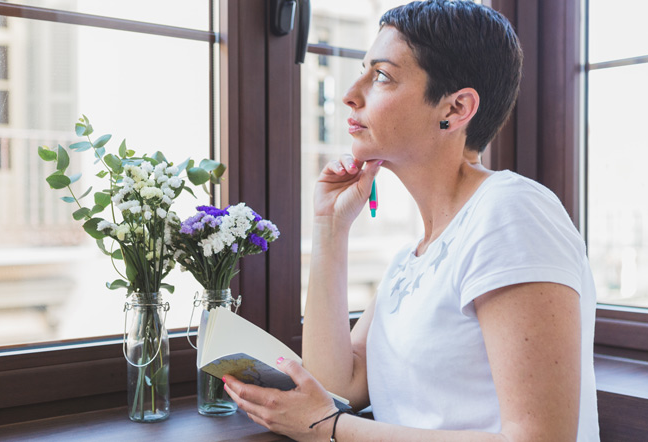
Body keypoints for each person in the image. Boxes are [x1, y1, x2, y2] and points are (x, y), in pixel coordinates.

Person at [222, 0, 600, 441]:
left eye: (381, 75)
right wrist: (329, 227)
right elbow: (334, 386)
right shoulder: (412, 259)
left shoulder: (511, 212)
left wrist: (333, 430)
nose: (351, 92)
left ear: (456, 109)